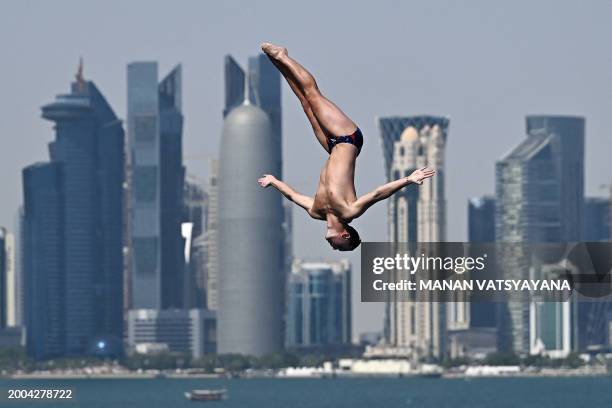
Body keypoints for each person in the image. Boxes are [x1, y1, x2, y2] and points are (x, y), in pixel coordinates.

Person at [257, 43, 436, 251]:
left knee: (305, 103)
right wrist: (408, 179)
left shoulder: (316, 211)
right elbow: (378, 194)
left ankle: (276, 62)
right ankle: (283, 56)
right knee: (313, 95)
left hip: (332, 146)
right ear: (345, 234)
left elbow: (293, 196)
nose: (334, 247)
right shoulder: (349, 211)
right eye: (340, 246)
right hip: (347, 138)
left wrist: (274, 181)